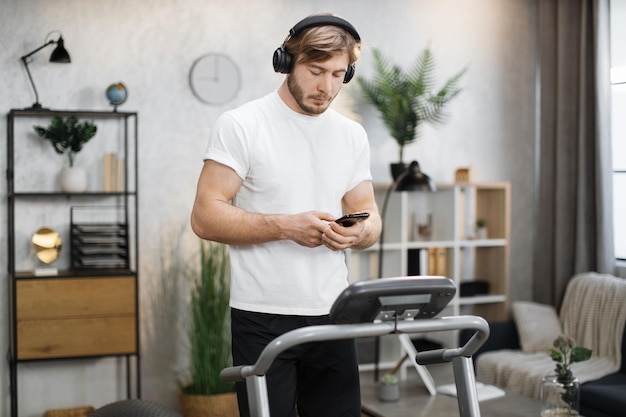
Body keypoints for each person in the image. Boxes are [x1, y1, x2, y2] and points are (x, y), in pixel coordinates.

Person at [191, 13, 381, 417]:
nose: (326, 87)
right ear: (286, 61)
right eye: (315, 71)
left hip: (334, 314)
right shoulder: (242, 125)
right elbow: (205, 217)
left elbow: (372, 220)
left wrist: (357, 233)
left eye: (337, 74)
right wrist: (285, 226)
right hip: (261, 318)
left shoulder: (351, 135)